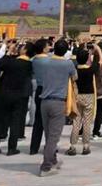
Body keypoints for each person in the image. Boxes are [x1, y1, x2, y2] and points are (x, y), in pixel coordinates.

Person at [32, 39, 77, 176]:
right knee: (54, 136)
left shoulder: (45, 62)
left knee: (49, 134)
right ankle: (46, 167)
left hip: (44, 101)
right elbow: (75, 77)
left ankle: (53, 160)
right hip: (58, 102)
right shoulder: (68, 64)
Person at [0, 42, 33, 157]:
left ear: (26, 51)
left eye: (22, 47)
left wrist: (8, 53)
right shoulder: (29, 64)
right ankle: (11, 148)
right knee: (15, 121)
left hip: (4, 94)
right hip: (19, 95)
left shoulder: (11, 61)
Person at [68, 43, 101, 155]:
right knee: (87, 122)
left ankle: (72, 146)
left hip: (77, 96)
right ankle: (86, 146)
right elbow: (100, 62)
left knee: (76, 122)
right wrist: (97, 50)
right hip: (88, 96)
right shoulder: (90, 70)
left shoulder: (75, 70)